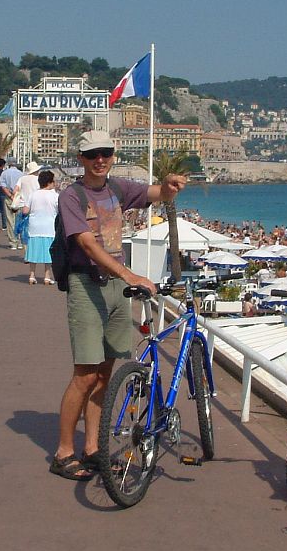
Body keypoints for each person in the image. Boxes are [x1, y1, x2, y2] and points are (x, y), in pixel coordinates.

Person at [50, 130, 187, 480]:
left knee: (105, 375)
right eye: (92, 154)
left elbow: (154, 194)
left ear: (113, 155)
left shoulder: (117, 189)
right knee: (84, 375)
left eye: (106, 153)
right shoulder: (71, 196)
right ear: (81, 158)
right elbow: (88, 244)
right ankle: (64, 452)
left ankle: (93, 448)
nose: (100, 159)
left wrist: (169, 186)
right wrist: (130, 275)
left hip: (115, 290)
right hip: (87, 287)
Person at [24, 169, 58, 285]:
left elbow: (25, 210)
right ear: (50, 182)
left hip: (34, 227)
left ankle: (32, 275)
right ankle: (47, 276)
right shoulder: (55, 196)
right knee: (48, 253)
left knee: (33, 252)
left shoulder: (33, 194)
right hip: (49, 227)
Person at [0, 158, 24, 250]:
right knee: (20, 220)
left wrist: (10, 195)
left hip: (9, 197)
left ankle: (13, 242)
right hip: (19, 197)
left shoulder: (4, 173)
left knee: (10, 220)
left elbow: (3, 186)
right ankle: (20, 241)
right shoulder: (21, 174)